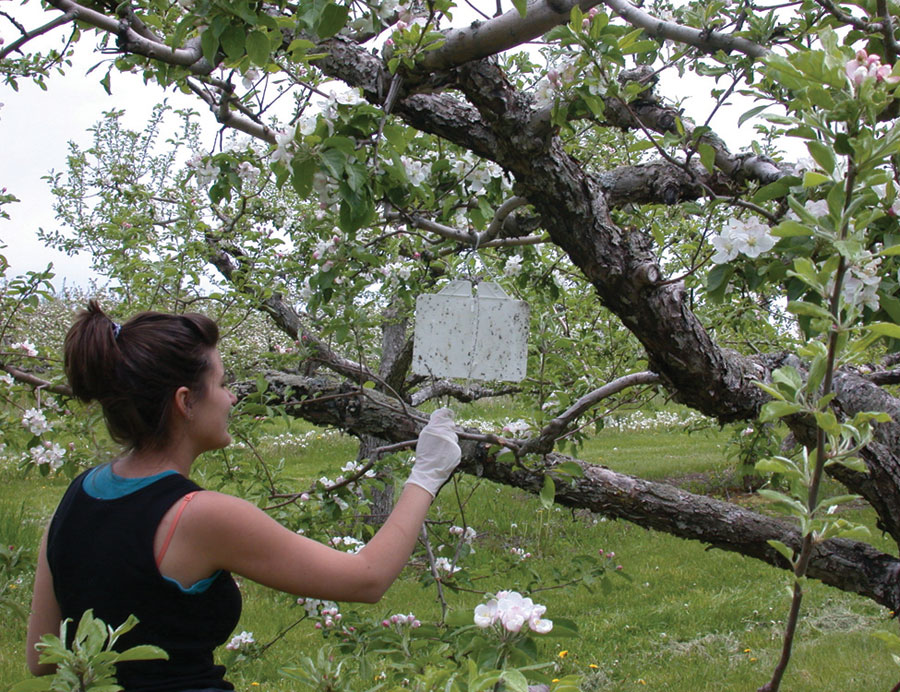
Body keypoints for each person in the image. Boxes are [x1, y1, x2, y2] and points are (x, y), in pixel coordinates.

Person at [25, 300, 461, 691]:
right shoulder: (201, 517)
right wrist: (425, 475)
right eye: (220, 383)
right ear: (185, 402)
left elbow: (42, 658)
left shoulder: (75, 496)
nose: (232, 397)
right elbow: (366, 578)